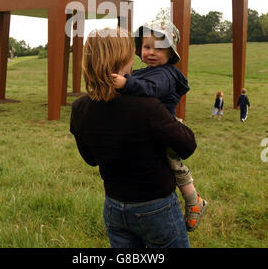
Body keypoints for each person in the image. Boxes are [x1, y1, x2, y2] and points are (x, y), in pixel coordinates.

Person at [70, 27, 197, 248]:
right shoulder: (147, 105)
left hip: (114, 207)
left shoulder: (80, 107)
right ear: (124, 58)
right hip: (157, 207)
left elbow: (91, 159)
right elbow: (187, 145)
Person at [111, 22, 208, 232]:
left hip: (165, 132)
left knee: (175, 165)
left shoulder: (165, 74)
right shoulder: (143, 72)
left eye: (159, 48)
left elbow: (151, 90)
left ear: (170, 53)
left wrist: (126, 84)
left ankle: (194, 201)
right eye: (147, 47)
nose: (151, 53)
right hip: (149, 131)